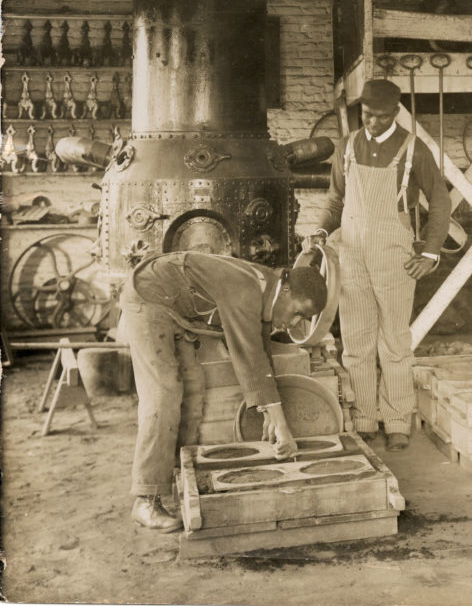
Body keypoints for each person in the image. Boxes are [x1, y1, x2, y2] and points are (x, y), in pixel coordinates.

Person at [118, 251, 327, 532]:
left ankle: (180, 478)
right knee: (163, 395)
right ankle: (145, 500)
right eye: (297, 312)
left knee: (192, 388)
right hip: (148, 298)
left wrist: (269, 413)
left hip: (177, 311)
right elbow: (249, 359)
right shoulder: (246, 289)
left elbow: (262, 356)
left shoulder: (267, 285)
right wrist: (282, 426)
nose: (292, 323)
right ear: (286, 289)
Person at [310, 78, 450, 450]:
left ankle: (398, 420)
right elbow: (336, 200)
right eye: (368, 115)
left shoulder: (413, 148)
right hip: (351, 253)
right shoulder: (347, 146)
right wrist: (321, 233)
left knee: (395, 341)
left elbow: (439, 201)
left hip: (394, 254)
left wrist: (431, 253)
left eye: (382, 116)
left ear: (396, 113)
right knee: (355, 340)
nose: (373, 122)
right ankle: (363, 417)